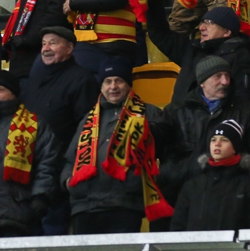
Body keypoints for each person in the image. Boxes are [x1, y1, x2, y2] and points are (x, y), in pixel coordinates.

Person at [63, 58, 169, 234]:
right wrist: (68, 182)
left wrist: (143, 127)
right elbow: (70, 159)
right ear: (101, 86)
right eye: (108, 81)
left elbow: (163, 145)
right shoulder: (88, 119)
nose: (113, 87)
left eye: (119, 81)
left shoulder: (148, 113)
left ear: (128, 84)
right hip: (85, 205)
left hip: (125, 204)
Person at [19, 27, 100, 235]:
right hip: (30, 168)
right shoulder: (34, 79)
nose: (46, 48)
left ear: (70, 48)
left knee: (53, 228)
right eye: (43, 44)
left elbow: (86, 127)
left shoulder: (82, 79)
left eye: (53, 43)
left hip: (59, 169)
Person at [158, 57, 250, 205]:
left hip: (230, 194)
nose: (225, 82)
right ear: (202, 82)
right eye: (218, 76)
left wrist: (247, 188)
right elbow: (162, 151)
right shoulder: (177, 111)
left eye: (227, 76)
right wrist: (172, 176)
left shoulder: (246, 111)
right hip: (181, 192)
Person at [144, 0, 250, 106]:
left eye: (209, 23)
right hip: (179, 116)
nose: (201, 28)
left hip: (214, 117)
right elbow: (160, 34)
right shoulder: (193, 49)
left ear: (226, 32)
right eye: (202, 23)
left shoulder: (241, 57)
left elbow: (245, 100)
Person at [170, 119, 250, 231]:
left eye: (224, 140)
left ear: (235, 148)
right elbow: (177, 228)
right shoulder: (192, 186)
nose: (217, 144)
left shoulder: (249, 187)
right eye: (213, 140)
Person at [0, 71, 60, 238]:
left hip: (16, 215)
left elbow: (48, 164)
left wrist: (41, 197)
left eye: (1, 90)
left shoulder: (35, 125)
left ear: (13, 93)